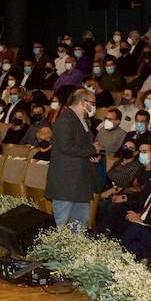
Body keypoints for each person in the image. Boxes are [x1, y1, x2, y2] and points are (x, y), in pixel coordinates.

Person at [43, 89, 99, 230]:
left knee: (80, 224)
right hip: (66, 182)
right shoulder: (65, 120)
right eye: (93, 103)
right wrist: (92, 149)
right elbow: (66, 146)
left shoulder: (83, 121)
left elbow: (81, 146)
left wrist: (91, 155)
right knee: (61, 224)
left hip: (80, 182)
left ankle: (74, 251)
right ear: (83, 102)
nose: (94, 107)